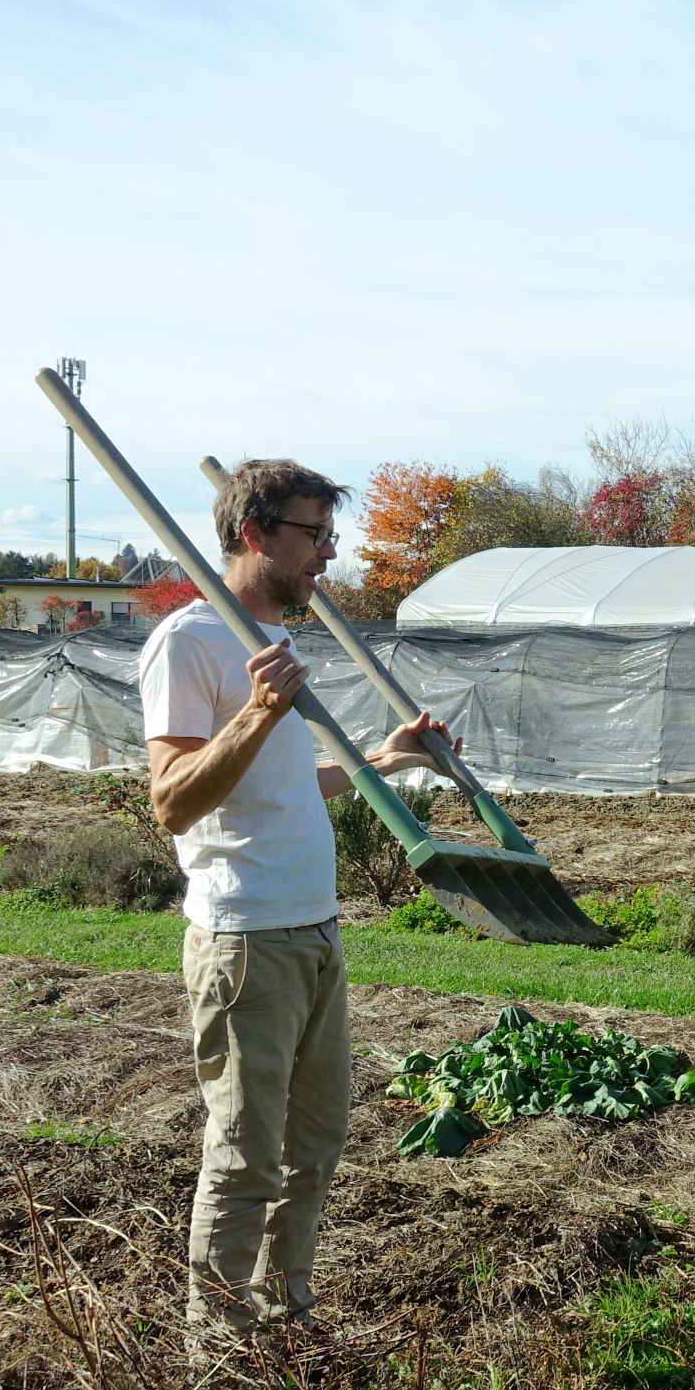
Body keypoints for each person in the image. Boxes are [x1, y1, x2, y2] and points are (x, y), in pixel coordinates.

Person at [142, 459, 461, 1339]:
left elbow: (282, 787)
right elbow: (173, 799)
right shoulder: (193, 643)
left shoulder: (269, 640)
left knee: (313, 1150)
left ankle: (287, 1321)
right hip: (245, 941)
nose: (329, 553)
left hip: (315, 929)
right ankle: (218, 1351)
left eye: (329, 533)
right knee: (245, 1157)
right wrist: (254, 714)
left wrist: (383, 761)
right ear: (255, 534)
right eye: (313, 534)